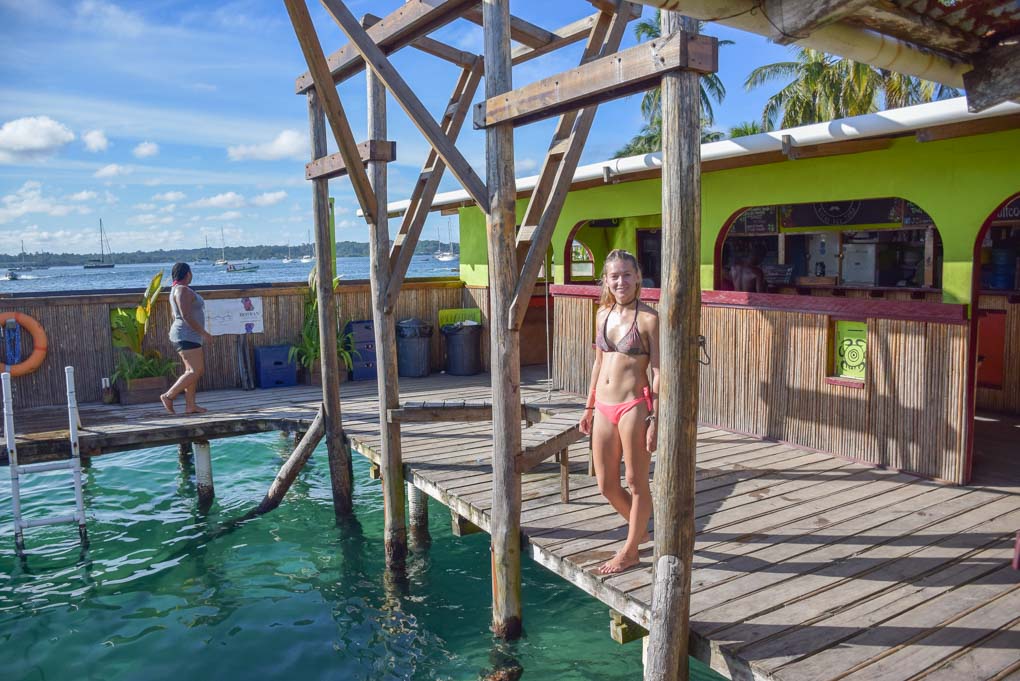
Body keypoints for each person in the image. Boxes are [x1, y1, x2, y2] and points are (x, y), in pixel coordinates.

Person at [579, 249, 660, 575]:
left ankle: (629, 551)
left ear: (638, 276)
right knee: (606, 484)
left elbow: (658, 372)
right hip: (603, 406)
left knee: (635, 481)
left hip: (634, 406)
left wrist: (655, 418)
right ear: (606, 280)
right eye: (615, 276)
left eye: (627, 274)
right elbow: (599, 363)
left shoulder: (649, 319)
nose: (621, 281)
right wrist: (588, 405)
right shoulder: (602, 315)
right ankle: (640, 531)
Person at [161, 262, 213, 414]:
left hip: (187, 335)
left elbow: (175, 314)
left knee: (190, 370)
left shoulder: (176, 289)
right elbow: (185, 316)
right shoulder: (182, 290)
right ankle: (168, 396)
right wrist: (204, 333)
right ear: (188, 273)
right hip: (186, 335)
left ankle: (190, 405)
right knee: (196, 370)